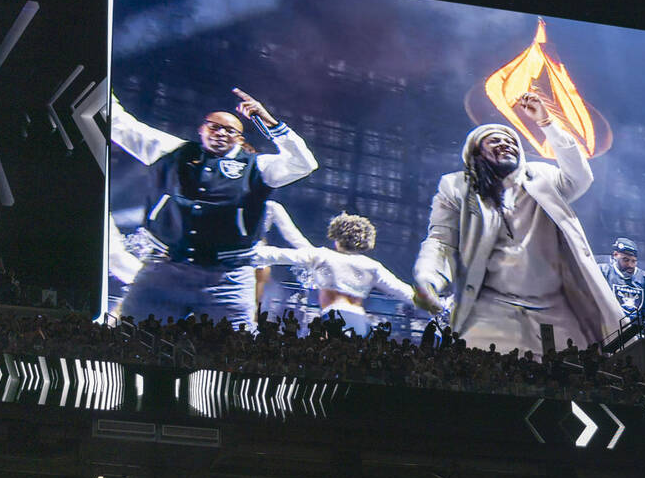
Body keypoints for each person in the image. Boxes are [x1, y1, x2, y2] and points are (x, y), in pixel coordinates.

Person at [413, 90, 625, 358]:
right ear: (476, 154)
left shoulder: (543, 178)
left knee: (574, 375)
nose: (505, 144)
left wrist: (547, 123)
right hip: (490, 310)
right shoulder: (456, 187)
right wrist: (427, 278)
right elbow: (441, 240)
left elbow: (580, 177)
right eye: (494, 141)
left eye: (510, 140)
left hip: (557, 310)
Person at [110, 88, 318, 328]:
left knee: (233, 353)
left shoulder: (257, 166)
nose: (220, 133)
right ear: (201, 130)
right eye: (214, 126)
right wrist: (101, 82)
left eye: (230, 130)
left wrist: (269, 123)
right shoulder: (172, 151)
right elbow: (121, 126)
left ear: (240, 139)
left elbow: (303, 164)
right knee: (129, 336)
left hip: (227, 277)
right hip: (165, 268)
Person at [252, 211, 439, 337]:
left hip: (334, 318)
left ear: (336, 237)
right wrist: (436, 306)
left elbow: (279, 255)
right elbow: (405, 292)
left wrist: (246, 249)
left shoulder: (322, 256)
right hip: (361, 321)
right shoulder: (372, 266)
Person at [598, 237, 645, 332]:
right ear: (615, 255)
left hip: (638, 331)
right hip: (609, 329)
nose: (630, 265)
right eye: (626, 260)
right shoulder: (602, 271)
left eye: (633, 261)